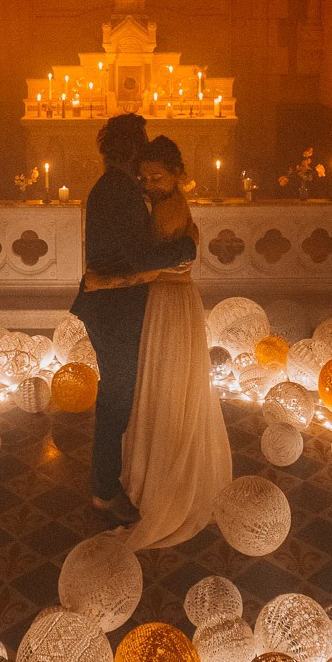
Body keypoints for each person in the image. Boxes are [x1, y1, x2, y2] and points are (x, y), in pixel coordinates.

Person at [70, 114, 197, 524]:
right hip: (113, 312)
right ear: (130, 149)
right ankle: (104, 493)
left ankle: (116, 478)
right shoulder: (118, 191)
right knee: (116, 399)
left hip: (114, 307)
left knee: (121, 395)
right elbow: (142, 257)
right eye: (139, 145)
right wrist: (186, 250)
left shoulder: (116, 187)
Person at [120, 136, 232, 549]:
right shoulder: (170, 203)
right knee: (175, 384)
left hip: (168, 301)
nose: (149, 183)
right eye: (144, 177)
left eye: (158, 176)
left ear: (178, 175)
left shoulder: (167, 211)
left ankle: (162, 477)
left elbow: (152, 263)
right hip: (177, 302)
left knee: (165, 383)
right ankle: (165, 467)